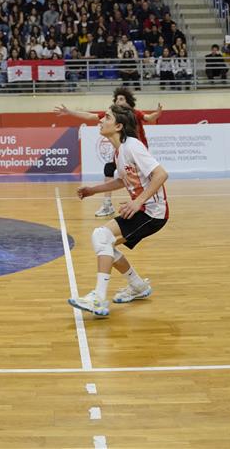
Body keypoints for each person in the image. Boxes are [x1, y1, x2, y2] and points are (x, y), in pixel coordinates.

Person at [69, 105, 169, 318]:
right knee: (104, 242)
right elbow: (123, 181)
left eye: (107, 117)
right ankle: (137, 286)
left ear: (118, 126)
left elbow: (161, 174)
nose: (101, 120)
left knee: (101, 236)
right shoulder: (119, 151)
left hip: (152, 213)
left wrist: (137, 202)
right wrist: (93, 190)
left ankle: (98, 298)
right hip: (143, 209)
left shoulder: (133, 146)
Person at [54, 88, 162, 218]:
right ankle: (109, 204)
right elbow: (90, 116)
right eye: (116, 99)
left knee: (144, 177)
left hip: (137, 152)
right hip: (125, 150)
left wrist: (157, 113)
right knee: (112, 171)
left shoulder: (135, 116)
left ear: (128, 101)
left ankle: (146, 205)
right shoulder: (112, 117)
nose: (118, 101)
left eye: (121, 99)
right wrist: (69, 112)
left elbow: (150, 118)